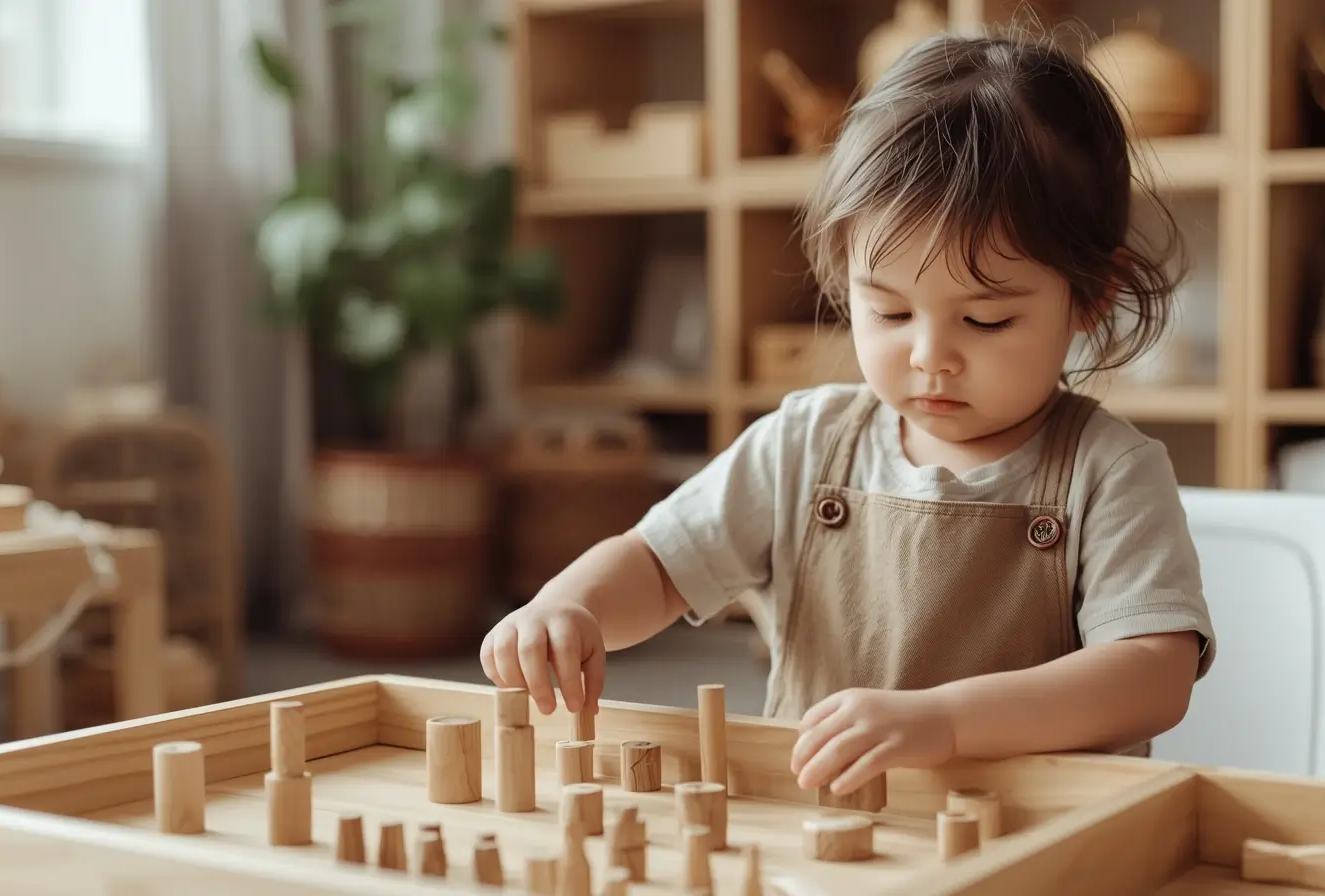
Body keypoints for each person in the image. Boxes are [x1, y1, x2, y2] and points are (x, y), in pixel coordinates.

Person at [479, 26, 1216, 799]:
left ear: (1090, 299)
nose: (931, 355)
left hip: (1034, 842)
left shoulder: (1112, 473)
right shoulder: (806, 443)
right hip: (826, 836)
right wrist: (569, 607)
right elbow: (660, 566)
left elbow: (1151, 675)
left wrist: (947, 723)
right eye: (891, 312)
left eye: (987, 321)